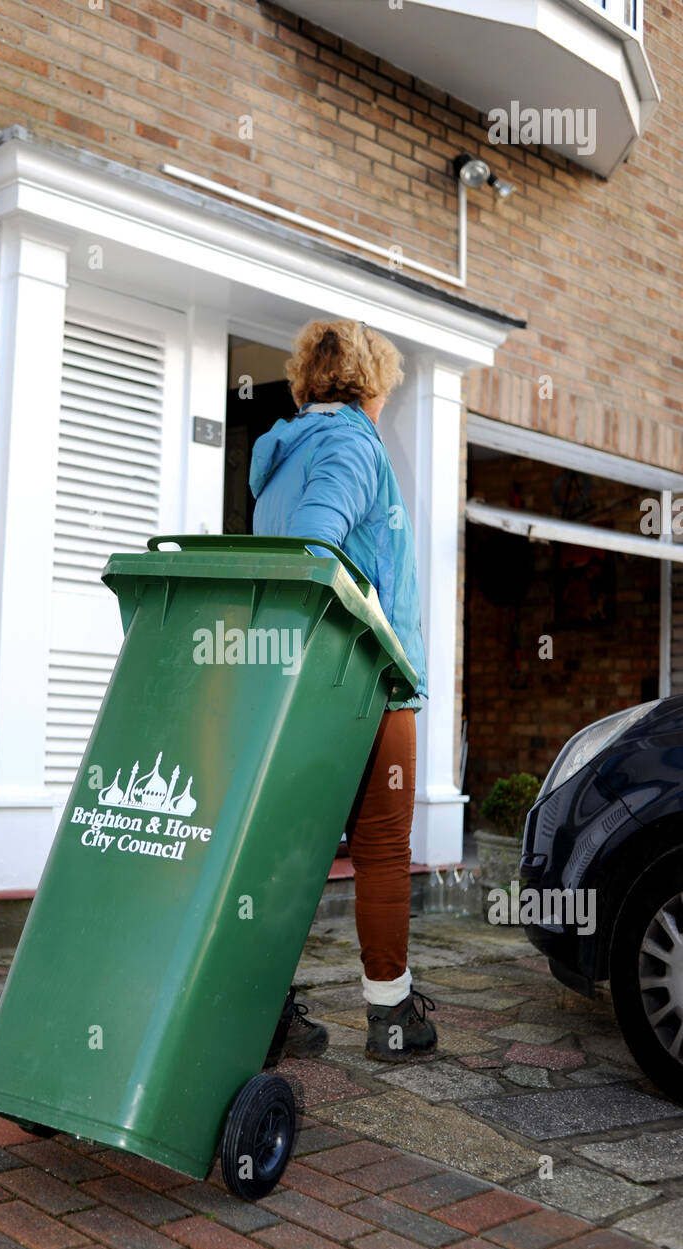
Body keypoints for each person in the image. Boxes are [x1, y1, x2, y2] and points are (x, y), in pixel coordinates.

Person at [251, 319, 436, 1065]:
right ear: (373, 383)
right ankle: (392, 1017)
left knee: (288, 852)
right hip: (366, 679)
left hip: (290, 679)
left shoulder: (276, 459)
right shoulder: (354, 443)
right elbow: (319, 544)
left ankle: (267, 1010)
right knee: (384, 849)